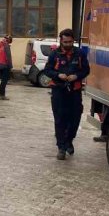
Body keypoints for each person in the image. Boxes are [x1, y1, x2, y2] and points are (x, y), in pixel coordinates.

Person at [45, 28, 90, 160]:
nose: (68, 44)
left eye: (70, 42)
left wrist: (76, 76)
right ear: (61, 41)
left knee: (75, 119)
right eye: (65, 42)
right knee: (60, 120)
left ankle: (69, 140)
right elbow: (47, 70)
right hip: (59, 91)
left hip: (74, 91)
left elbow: (86, 70)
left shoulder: (80, 54)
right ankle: (61, 148)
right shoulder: (54, 54)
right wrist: (58, 75)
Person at [0, 35, 13, 100]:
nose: (9, 43)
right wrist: (10, 66)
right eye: (10, 41)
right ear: (8, 40)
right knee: (4, 81)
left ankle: (0, 94)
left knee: (2, 80)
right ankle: (2, 95)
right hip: (5, 65)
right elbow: (8, 57)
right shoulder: (6, 45)